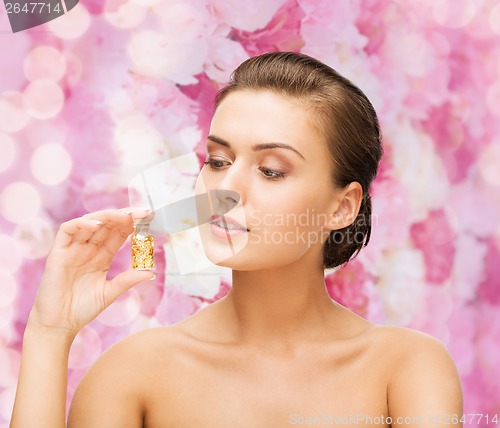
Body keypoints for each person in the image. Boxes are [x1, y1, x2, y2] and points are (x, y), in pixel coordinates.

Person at [10, 52, 463, 428]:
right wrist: (49, 334)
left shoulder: (405, 367)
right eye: (219, 160)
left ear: (342, 207)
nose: (226, 191)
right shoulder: (135, 371)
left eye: (271, 170)